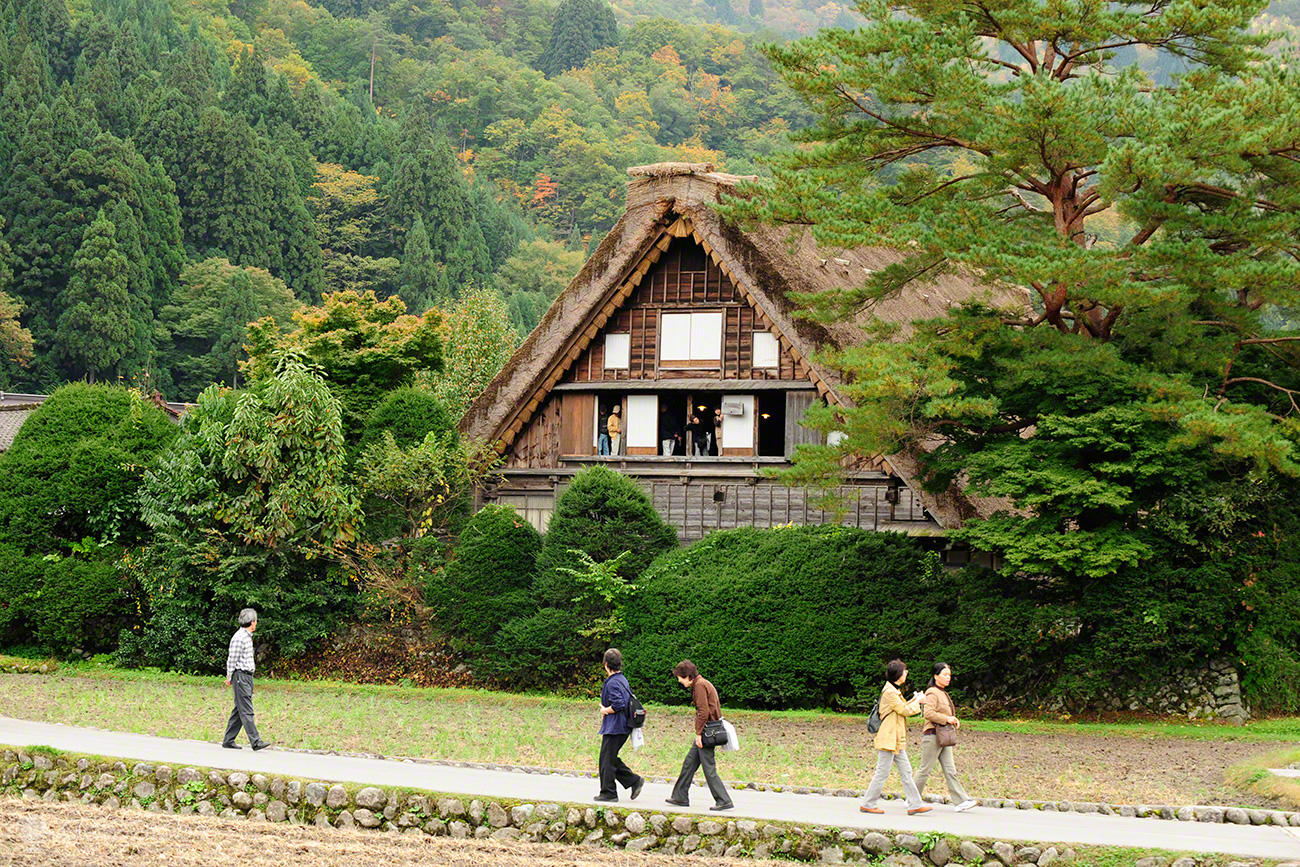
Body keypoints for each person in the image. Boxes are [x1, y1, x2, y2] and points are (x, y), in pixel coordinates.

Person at [860, 658, 930, 815]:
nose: (906, 673)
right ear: (898, 674)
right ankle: (868, 803)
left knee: (906, 771)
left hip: (895, 739)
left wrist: (915, 699)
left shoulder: (893, 690)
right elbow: (904, 710)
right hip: (888, 738)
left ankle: (915, 804)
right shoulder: (890, 692)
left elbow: (903, 706)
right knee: (882, 772)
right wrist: (918, 701)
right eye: (904, 671)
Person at [664, 660, 733, 811]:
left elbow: (703, 712)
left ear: (688, 676)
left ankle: (723, 799)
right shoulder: (701, 683)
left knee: (708, 767)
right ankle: (679, 796)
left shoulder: (700, 686)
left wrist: (698, 734)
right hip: (708, 730)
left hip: (707, 731)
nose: (679, 681)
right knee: (689, 763)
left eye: (680, 678)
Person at [915, 662, 978, 812]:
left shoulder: (943, 692)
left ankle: (961, 801)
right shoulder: (932, 692)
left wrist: (952, 719)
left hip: (944, 736)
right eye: (945, 675)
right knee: (925, 769)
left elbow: (944, 714)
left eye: (949, 675)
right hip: (932, 735)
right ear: (936, 676)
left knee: (950, 770)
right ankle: (913, 798)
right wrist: (947, 719)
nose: (948, 678)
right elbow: (928, 713)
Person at [595, 648, 644, 802]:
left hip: (616, 727)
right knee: (609, 758)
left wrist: (605, 710)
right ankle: (633, 781)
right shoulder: (622, 679)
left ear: (606, 664)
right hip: (623, 726)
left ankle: (609, 793)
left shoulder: (612, 683)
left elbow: (619, 704)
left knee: (606, 760)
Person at [223, 608, 271, 751]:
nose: (256, 624)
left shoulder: (246, 636)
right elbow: (232, 659)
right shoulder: (239, 638)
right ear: (252, 622)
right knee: (246, 710)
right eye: (255, 621)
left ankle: (228, 740)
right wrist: (229, 676)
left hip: (247, 676)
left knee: (239, 709)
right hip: (240, 676)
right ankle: (255, 741)